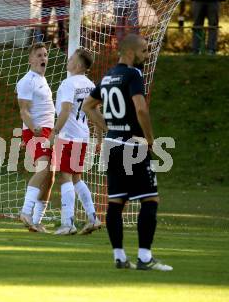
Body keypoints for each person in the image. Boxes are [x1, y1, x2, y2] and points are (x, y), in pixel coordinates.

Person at [83, 34, 173, 271]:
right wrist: (150, 139)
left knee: (116, 202)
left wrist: (109, 129)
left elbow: (88, 106)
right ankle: (144, 257)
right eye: (144, 51)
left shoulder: (109, 75)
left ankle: (119, 256)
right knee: (150, 199)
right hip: (133, 146)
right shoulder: (133, 74)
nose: (147, 55)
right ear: (132, 52)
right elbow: (141, 108)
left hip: (112, 146)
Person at [49, 49, 102, 236]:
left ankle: (67, 223)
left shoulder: (67, 84)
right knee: (76, 178)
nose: (68, 60)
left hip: (68, 135)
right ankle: (93, 217)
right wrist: (99, 138)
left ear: (78, 65)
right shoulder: (90, 84)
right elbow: (95, 112)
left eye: (72, 58)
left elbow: (65, 111)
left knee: (65, 177)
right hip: (83, 135)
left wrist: (54, 132)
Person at [17, 42, 55, 233]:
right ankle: (25, 212)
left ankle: (37, 221)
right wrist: (33, 129)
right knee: (43, 170)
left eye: (45, 55)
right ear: (30, 59)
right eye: (39, 55)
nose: (43, 58)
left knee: (50, 177)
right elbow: (24, 111)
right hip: (36, 131)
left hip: (48, 131)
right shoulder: (27, 81)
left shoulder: (43, 80)